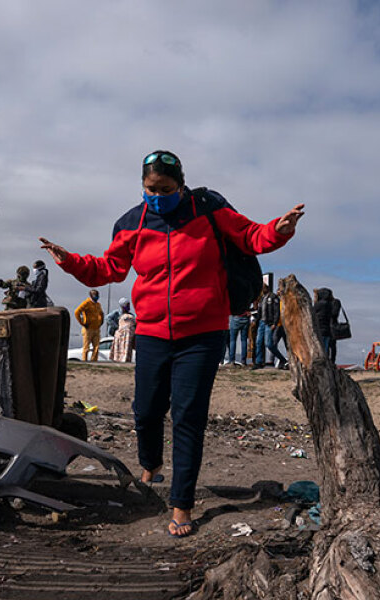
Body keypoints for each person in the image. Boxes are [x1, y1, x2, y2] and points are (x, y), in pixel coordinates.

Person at [39, 149, 303, 537]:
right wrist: (71, 261)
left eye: (166, 188)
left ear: (181, 184)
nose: (158, 195)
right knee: (145, 411)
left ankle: (181, 504)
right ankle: (151, 462)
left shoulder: (208, 208)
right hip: (152, 333)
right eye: (151, 188)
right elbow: (109, 269)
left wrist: (279, 228)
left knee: (188, 417)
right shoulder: (132, 222)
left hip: (203, 334)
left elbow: (250, 236)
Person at [253, 285, 287, 370]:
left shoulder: (273, 297)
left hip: (269, 323)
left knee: (269, 344)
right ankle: (259, 362)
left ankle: (282, 359)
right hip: (261, 322)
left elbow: (276, 311)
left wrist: (274, 323)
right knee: (259, 342)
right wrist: (256, 320)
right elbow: (260, 311)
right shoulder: (262, 298)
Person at [74, 289, 104, 361]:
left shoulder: (98, 304)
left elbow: (101, 313)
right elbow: (77, 312)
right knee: (86, 347)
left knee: (96, 347)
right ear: (91, 295)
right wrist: (82, 323)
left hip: (96, 328)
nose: (97, 296)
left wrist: (101, 321)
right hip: (88, 329)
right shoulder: (86, 303)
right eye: (95, 295)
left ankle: (93, 361)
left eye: (97, 295)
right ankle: (84, 361)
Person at [313, 288, 340, 363]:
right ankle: (329, 361)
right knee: (329, 346)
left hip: (321, 327)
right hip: (329, 328)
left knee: (323, 346)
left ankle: (325, 361)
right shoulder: (332, 303)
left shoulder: (319, 304)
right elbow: (334, 314)